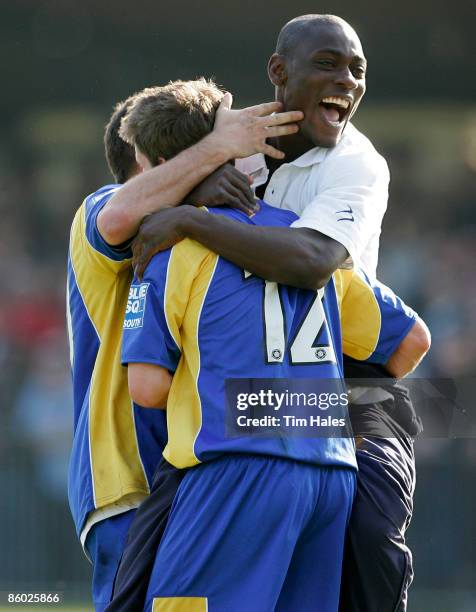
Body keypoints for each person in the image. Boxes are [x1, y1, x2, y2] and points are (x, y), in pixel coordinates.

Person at [113, 15, 430, 612]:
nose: (347, 82)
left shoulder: (359, 164)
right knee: (145, 557)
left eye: (357, 70)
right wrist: (195, 188)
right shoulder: (236, 143)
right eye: (328, 65)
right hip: (264, 392)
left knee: (369, 543)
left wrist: (190, 217)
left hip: (346, 379)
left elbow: (313, 261)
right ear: (278, 73)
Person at [66, 90, 302, 611]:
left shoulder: (229, 233)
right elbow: (118, 218)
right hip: (129, 478)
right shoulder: (100, 208)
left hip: (213, 477)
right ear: (150, 163)